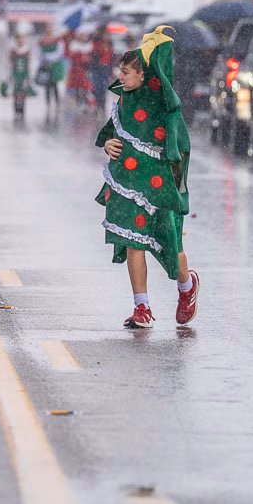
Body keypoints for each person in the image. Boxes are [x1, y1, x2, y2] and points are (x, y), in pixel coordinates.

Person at [96, 27, 199, 328]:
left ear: (143, 76)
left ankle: (186, 286)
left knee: (170, 245)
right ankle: (143, 308)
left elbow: (180, 149)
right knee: (133, 242)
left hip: (159, 186)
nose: (121, 77)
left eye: (127, 72)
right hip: (129, 184)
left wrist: (178, 189)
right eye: (121, 72)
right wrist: (108, 143)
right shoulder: (124, 100)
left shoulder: (163, 103)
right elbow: (116, 133)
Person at [8, 29, 35, 119]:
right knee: (16, 94)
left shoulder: (27, 51)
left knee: (23, 94)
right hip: (16, 75)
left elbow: (30, 63)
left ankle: (23, 112)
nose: (20, 40)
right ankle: (16, 112)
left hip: (24, 75)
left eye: (22, 39)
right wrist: (9, 75)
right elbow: (10, 64)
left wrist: (30, 76)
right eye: (19, 39)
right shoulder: (13, 51)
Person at [37, 28, 66, 109]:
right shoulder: (42, 41)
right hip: (46, 66)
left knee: (55, 84)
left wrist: (49, 57)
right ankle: (48, 104)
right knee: (47, 85)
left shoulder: (57, 40)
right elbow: (38, 52)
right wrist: (44, 59)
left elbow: (60, 52)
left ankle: (57, 103)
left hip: (55, 66)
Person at [89, 25, 115, 112]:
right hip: (97, 67)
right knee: (96, 86)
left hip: (106, 67)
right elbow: (93, 54)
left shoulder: (110, 43)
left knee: (103, 87)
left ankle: (102, 105)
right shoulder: (96, 42)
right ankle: (98, 103)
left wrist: (111, 70)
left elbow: (112, 57)